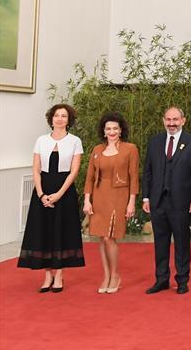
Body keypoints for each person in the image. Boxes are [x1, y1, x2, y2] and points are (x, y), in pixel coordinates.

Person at [18, 104, 85, 292]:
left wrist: (59, 194)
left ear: (69, 120)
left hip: (65, 192)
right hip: (43, 191)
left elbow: (74, 171)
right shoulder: (41, 140)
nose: (60, 119)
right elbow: (36, 169)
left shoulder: (75, 141)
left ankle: (59, 275)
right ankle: (47, 275)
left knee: (62, 231)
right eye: (57, 115)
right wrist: (41, 194)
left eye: (64, 116)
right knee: (44, 231)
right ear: (51, 119)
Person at [142, 106, 191, 295]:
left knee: (182, 242)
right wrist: (146, 197)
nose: (172, 123)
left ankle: (182, 280)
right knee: (160, 243)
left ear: (183, 121)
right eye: (168, 119)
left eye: (175, 119)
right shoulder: (155, 141)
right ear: (163, 121)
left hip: (182, 202)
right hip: (158, 202)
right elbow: (148, 171)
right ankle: (161, 279)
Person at [83, 112, 140, 294]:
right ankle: (106, 276)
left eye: (115, 128)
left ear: (121, 130)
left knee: (109, 237)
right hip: (99, 196)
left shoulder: (130, 149)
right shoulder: (97, 150)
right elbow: (89, 177)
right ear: (104, 131)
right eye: (108, 128)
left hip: (119, 195)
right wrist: (87, 200)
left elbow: (134, 177)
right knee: (102, 236)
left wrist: (131, 202)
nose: (112, 131)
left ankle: (115, 275)